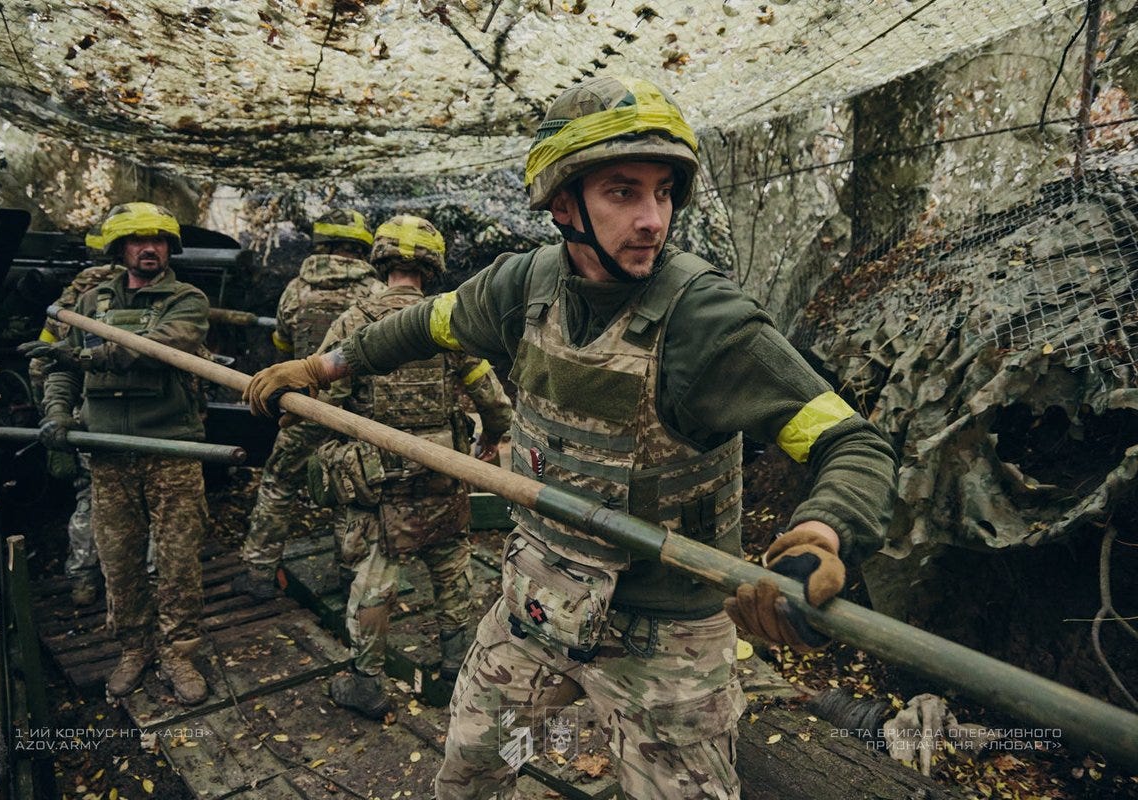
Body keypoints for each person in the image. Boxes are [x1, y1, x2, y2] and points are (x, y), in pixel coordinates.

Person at [244, 77, 897, 799]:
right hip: (535, 606)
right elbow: (421, 324)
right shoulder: (520, 289)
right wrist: (321, 367)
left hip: (665, 641)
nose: (652, 220)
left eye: (664, 193)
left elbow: (852, 443)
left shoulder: (708, 324)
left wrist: (820, 537)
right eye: (623, 192)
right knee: (470, 771)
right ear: (562, 204)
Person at [306, 214, 513, 719]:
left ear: (380, 260)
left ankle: (366, 682)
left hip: (379, 482)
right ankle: (457, 665)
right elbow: (495, 402)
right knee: (452, 569)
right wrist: (488, 440)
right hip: (442, 472)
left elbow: (321, 401)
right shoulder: (449, 322)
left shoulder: (353, 323)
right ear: (432, 264)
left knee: (375, 579)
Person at [41, 201, 212, 706]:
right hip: (109, 454)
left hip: (171, 451)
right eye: (138, 240)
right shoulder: (89, 302)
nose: (149, 249)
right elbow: (62, 370)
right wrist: (57, 414)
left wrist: (86, 354)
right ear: (120, 249)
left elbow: (154, 348)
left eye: (158, 240)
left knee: (178, 561)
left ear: (170, 248)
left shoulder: (187, 300)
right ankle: (134, 647)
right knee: (119, 562)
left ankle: (178, 652)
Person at [232, 208, 385, 598]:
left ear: (320, 244)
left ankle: (259, 573)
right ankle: (351, 577)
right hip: (354, 414)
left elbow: (282, 350)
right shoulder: (375, 293)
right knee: (352, 490)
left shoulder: (296, 290)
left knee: (278, 483)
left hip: (302, 410)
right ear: (361, 247)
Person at [20, 260, 124, 607]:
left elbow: (39, 367)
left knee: (88, 498)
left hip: (80, 416)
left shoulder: (63, 308)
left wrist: (51, 413)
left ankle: (83, 578)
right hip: (105, 414)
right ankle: (129, 580)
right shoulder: (117, 305)